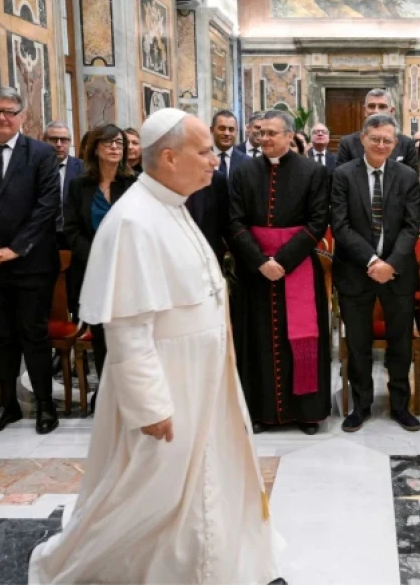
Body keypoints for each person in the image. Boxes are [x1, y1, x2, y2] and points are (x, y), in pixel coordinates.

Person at [28, 108, 284, 585]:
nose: (214, 160)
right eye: (204, 150)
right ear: (168, 157)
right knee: (147, 498)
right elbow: (127, 327)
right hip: (167, 389)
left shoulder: (170, 204)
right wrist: (150, 406)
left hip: (199, 378)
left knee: (198, 487)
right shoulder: (134, 221)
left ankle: (203, 568)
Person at [0, 87, 61, 437]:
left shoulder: (41, 154)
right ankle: (7, 406)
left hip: (31, 263)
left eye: (8, 111)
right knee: (2, 336)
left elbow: (47, 206)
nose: (1, 117)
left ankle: (45, 404)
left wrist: (15, 249)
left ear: (21, 114)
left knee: (33, 334)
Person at [229, 109, 331, 435]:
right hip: (254, 269)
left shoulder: (313, 172)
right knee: (256, 339)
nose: (266, 138)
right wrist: (260, 261)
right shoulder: (243, 173)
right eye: (261, 133)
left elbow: (317, 222)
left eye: (273, 133)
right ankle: (260, 412)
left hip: (297, 265)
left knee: (301, 339)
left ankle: (306, 412)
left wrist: (282, 261)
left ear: (290, 136)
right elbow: (234, 222)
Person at [330, 114, 420, 433]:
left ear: (395, 144)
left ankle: (400, 406)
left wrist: (391, 264)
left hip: (397, 274)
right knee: (358, 343)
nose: (381, 145)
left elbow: (412, 226)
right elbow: (339, 225)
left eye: (387, 140)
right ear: (362, 139)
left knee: (400, 343)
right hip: (356, 271)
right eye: (375, 139)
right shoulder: (343, 175)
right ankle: (362, 405)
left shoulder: (408, 175)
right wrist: (372, 261)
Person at [64, 124, 136, 410]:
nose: (114, 148)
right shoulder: (78, 186)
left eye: (119, 143)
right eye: (107, 143)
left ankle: (130, 395)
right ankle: (107, 395)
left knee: (129, 337)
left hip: (128, 272)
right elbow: (71, 229)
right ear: (95, 148)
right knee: (102, 338)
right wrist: (99, 255)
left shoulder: (134, 184)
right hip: (93, 272)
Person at [336, 88, 419, 171]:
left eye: (382, 106)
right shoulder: (348, 143)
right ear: (365, 110)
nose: (376, 111)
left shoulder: (407, 144)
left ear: (392, 111)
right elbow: (341, 176)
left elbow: (411, 178)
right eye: (371, 106)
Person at [42, 121, 84, 249]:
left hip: (73, 235)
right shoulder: (34, 168)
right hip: (43, 237)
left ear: (70, 142)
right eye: (54, 139)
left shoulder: (83, 168)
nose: (59, 144)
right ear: (44, 141)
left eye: (64, 140)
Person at [211, 109, 248, 178]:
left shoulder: (247, 163)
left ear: (236, 132)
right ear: (212, 130)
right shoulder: (199, 160)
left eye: (231, 129)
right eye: (222, 128)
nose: (226, 133)